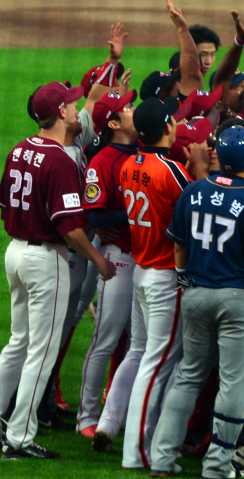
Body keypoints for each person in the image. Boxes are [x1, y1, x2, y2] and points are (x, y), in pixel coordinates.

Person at [150, 126, 244, 479]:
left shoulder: (192, 191)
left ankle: (162, 460)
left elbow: (178, 246)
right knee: (232, 385)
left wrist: (183, 281)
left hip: (195, 292)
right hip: (238, 301)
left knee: (188, 376)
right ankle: (217, 466)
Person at [0, 82, 116, 459]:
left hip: (15, 253)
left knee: (19, 342)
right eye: (71, 103)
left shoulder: (19, 150)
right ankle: (19, 438)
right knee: (42, 351)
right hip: (45, 260)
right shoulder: (60, 160)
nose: (75, 106)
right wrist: (98, 261)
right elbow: (69, 227)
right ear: (61, 112)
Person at [94, 97, 191, 468]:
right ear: (168, 128)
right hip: (166, 275)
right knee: (156, 363)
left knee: (140, 353)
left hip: (139, 270)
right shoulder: (171, 169)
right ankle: (137, 452)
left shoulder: (128, 165)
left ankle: (115, 427)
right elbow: (193, 206)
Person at [76, 90, 138, 438]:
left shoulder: (143, 150)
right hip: (119, 261)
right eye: (126, 108)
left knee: (135, 346)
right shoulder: (103, 161)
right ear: (113, 123)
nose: (132, 109)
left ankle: (119, 416)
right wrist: (136, 213)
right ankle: (86, 417)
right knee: (107, 339)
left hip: (148, 263)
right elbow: (95, 216)